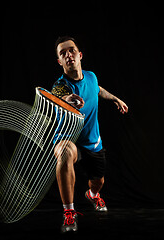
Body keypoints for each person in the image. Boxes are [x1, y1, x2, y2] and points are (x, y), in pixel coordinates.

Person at [52, 36, 128, 233]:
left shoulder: (91, 76)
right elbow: (58, 96)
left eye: (71, 50)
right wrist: (67, 99)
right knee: (65, 153)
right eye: (63, 53)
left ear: (79, 55)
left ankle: (93, 194)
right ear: (60, 62)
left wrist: (115, 98)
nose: (68, 54)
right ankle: (68, 212)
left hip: (92, 141)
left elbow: (97, 89)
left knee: (98, 182)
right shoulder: (60, 86)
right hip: (69, 139)